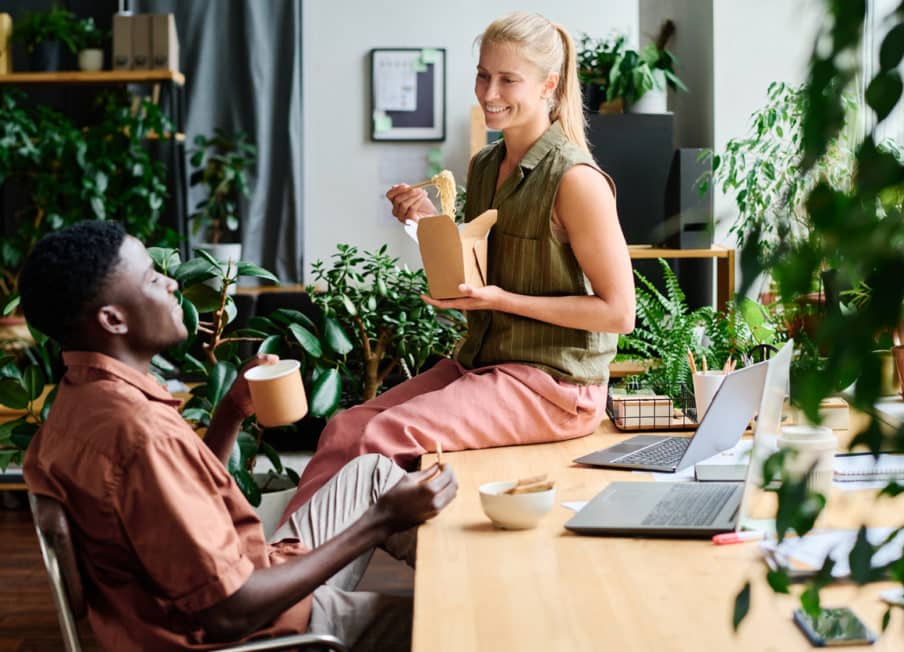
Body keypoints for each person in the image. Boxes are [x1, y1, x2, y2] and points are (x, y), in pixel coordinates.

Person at [20, 221, 457, 651]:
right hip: (263, 631)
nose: (173, 284)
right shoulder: (140, 435)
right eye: (153, 278)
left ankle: (482, 578)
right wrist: (379, 521)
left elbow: (180, 502)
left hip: (242, 582)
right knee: (452, 626)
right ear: (113, 319)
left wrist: (230, 412)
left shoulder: (76, 405)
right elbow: (230, 612)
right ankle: (486, 599)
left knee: (371, 473)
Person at [281, 10, 634, 523]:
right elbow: (474, 268)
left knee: (383, 436)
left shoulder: (576, 180)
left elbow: (619, 312)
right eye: (483, 74)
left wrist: (502, 301)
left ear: (548, 86)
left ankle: (302, 578)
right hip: (485, 365)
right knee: (345, 428)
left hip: (556, 388)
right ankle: (280, 561)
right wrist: (428, 222)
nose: (489, 91)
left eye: (508, 79)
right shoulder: (486, 164)